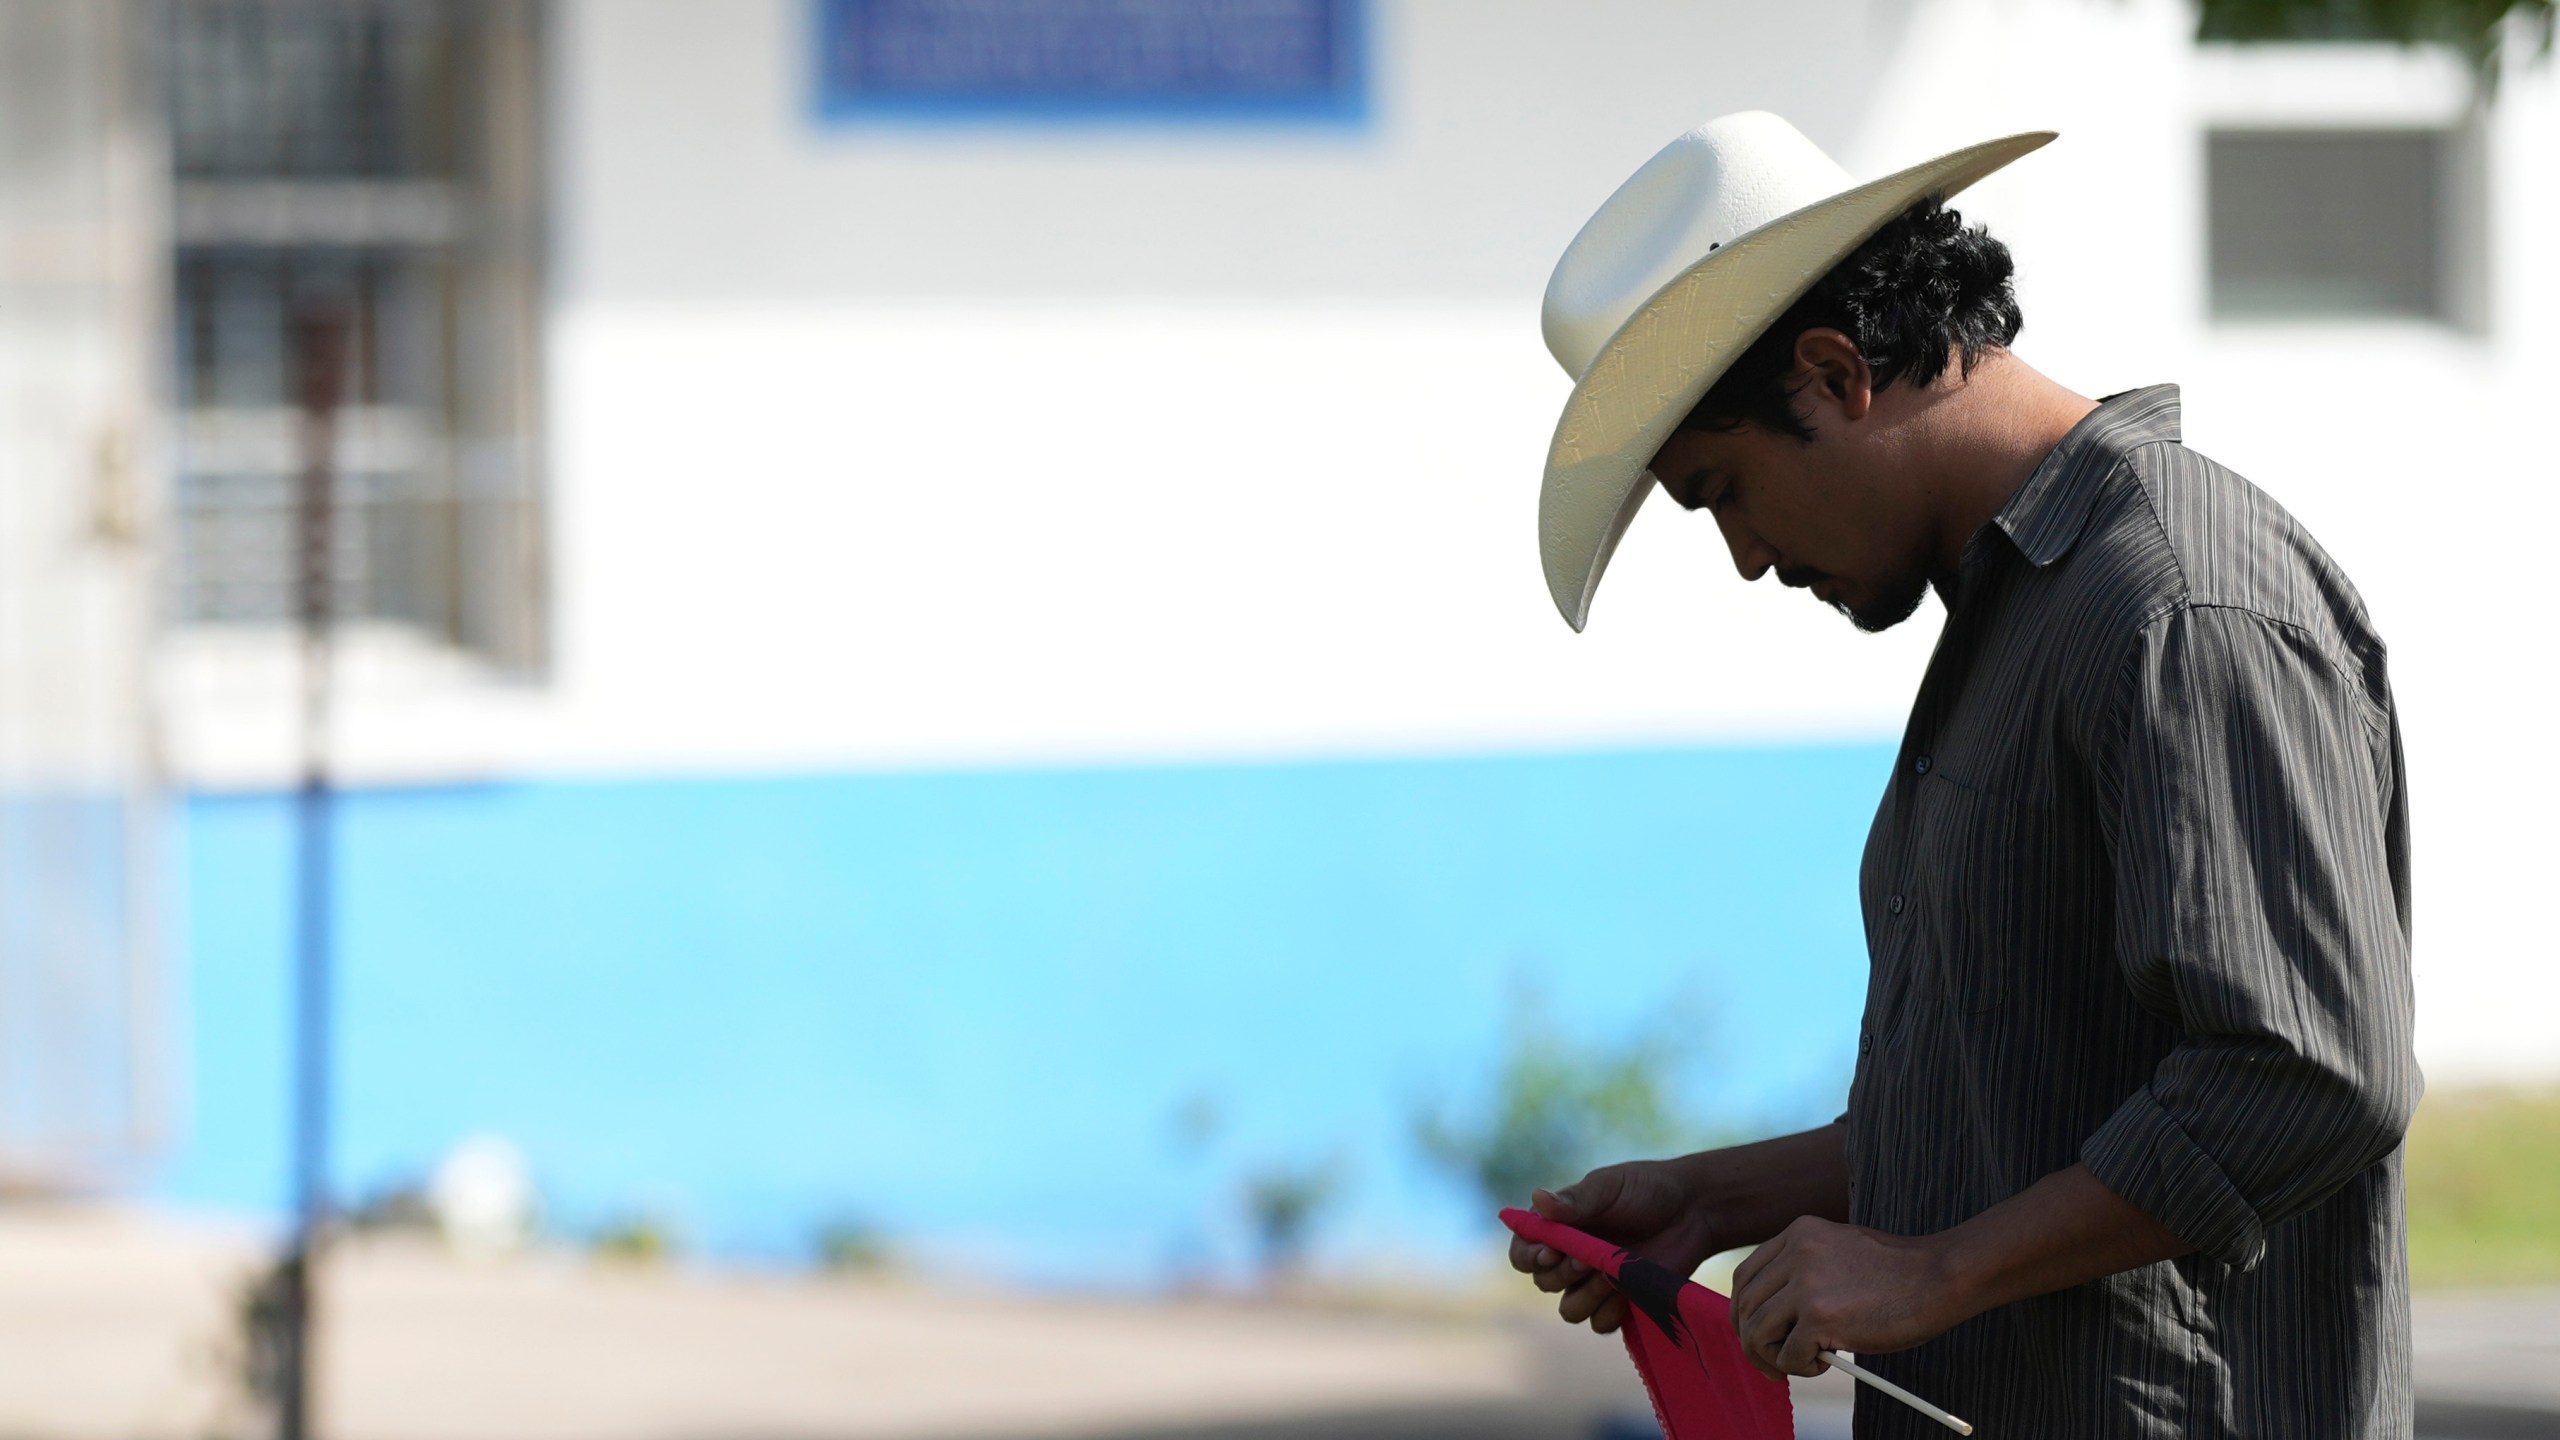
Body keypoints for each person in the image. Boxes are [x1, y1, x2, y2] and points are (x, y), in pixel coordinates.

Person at [1509, 113, 2417, 1439]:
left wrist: (1935, 1272)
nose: (1747, 559)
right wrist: (1719, 1200)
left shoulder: (2176, 601)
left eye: (1724, 493)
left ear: (1836, 374)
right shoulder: (2019, 621)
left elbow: (2306, 1071)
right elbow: (2020, 1102)